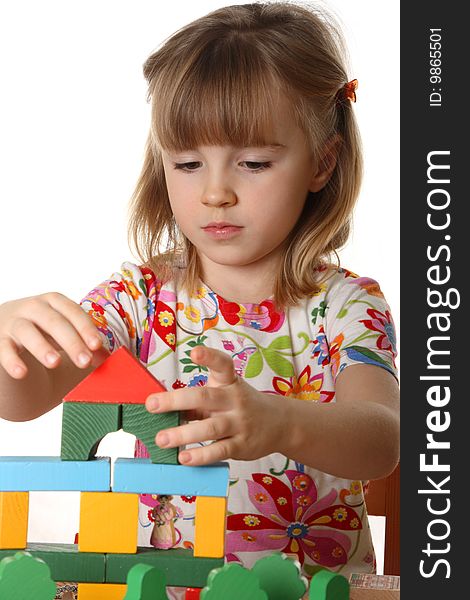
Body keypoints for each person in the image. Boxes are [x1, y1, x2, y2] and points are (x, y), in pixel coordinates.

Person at [0, 0, 399, 591]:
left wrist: (281, 422)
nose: (215, 192)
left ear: (323, 161)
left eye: (254, 162)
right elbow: (24, 398)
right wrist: (11, 345)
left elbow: (382, 438)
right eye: (187, 162)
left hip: (302, 585)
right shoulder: (136, 299)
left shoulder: (343, 305)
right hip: (145, 582)